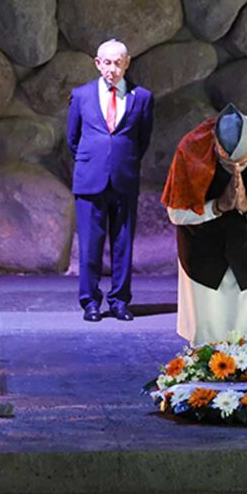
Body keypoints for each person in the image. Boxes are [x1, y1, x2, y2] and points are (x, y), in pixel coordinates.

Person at [162, 104, 247, 344]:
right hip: (201, 253)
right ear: (214, 145)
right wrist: (217, 207)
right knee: (206, 339)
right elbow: (176, 213)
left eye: (243, 163)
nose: (236, 169)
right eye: (227, 164)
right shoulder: (191, 148)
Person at [67, 39, 154, 322]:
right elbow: (72, 139)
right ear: (97, 63)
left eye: (118, 62)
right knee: (90, 245)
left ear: (127, 63)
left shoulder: (142, 98)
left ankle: (119, 301)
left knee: (123, 244)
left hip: (124, 178)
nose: (112, 69)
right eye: (107, 62)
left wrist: (120, 160)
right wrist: (95, 161)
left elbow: (143, 140)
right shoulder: (81, 96)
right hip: (90, 180)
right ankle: (90, 301)